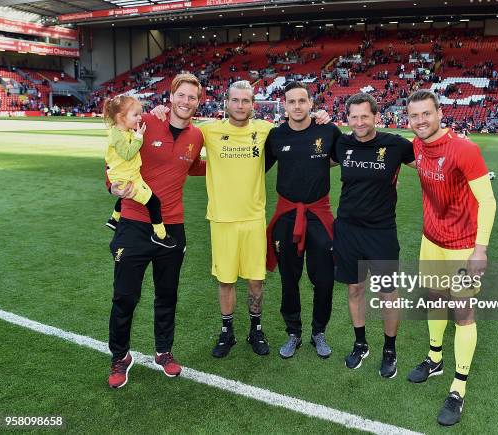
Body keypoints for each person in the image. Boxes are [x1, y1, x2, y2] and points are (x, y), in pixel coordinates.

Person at [151, 81, 331, 359]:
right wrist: (161, 112)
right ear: (226, 102)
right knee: (225, 281)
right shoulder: (208, 130)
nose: (240, 106)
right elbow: (180, 137)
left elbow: (298, 137)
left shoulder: (265, 131)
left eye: (246, 101)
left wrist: (320, 118)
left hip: (254, 220)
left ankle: (255, 329)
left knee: (256, 281)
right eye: (235, 100)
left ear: (253, 105)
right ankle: (227, 332)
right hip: (222, 220)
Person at [107, 74, 205, 389]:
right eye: (182, 95)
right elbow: (115, 158)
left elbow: (190, 166)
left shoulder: (197, 136)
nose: (186, 102)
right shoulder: (146, 121)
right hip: (134, 222)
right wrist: (112, 187)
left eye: (193, 97)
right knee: (124, 296)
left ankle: (163, 351)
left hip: (172, 226)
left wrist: (229, 163)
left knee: (167, 295)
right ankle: (120, 356)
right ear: (171, 96)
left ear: (198, 102)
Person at [405, 89, 496, 426]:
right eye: (414, 116)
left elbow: (488, 201)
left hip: (463, 246)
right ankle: (434, 358)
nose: (420, 121)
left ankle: (458, 386)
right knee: (434, 298)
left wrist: (481, 249)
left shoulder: (465, 149)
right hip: (431, 241)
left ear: (440, 113)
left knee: (462, 313)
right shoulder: (417, 145)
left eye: (426, 114)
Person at [331, 93, 415, 378]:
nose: (359, 122)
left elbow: (428, 160)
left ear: (376, 116)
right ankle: (360, 343)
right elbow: (316, 156)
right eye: (353, 117)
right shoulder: (341, 143)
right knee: (354, 289)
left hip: (381, 232)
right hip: (347, 230)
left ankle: (389, 349)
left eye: (364, 116)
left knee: (388, 294)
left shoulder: (396, 145)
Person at [265, 81, 341, 359]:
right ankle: (293, 332)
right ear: (284, 105)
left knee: (324, 279)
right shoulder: (276, 135)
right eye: (291, 101)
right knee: (289, 278)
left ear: (311, 103)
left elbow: (348, 155)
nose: (297, 106)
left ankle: (318, 331)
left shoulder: (328, 131)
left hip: (319, 215)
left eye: (302, 101)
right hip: (287, 216)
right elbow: (255, 168)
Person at [103, 95, 176, 249]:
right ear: (121, 117)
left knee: (126, 196)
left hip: (129, 176)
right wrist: (139, 137)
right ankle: (160, 235)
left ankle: (114, 219)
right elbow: (128, 154)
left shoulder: (122, 130)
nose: (139, 118)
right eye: (135, 115)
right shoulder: (117, 136)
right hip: (127, 178)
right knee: (154, 203)